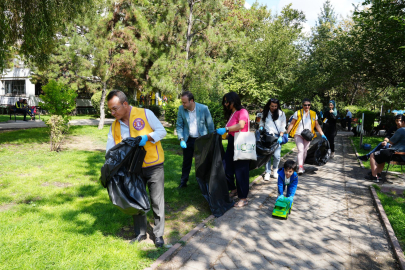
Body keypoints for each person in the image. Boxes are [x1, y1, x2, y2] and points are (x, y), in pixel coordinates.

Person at [105, 90, 167, 247]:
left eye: (115, 108)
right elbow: (110, 149)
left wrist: (146, 137)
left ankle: (158, 234)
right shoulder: (114, 126)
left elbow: (162, 131)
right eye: (110, 109)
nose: (112, 112)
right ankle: (140, 233)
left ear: (125, 104)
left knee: (156, 200)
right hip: (132, 170)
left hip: (153, 164)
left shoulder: (145, 114)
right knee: (136, 199)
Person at [216, 92, 250, 208]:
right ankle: (234, 189)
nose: (225, 104)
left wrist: (226, 129)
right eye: (224, 102)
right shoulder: (232, 113)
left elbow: (241, 125)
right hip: (232, 143)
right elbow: (231, 130)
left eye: (227, 101)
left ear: (233, 101)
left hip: (241, 143)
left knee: (241, 171)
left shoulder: (242, 112)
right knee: (225, 168)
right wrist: (225, 133)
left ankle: (243, 198)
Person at [176, 91, 215, 188]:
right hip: (188, 139)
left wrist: (212, 139)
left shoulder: (204, 108)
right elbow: (179, 125)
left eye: (184, 102)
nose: (183, 104)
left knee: (202, 162)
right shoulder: (181, 109)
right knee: (186, 162)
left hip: (201, 139)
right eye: (182, 102)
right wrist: (181, 139)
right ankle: (183, 182)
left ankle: (203, 182)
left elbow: (210, 125)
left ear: (191, 101)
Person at [286, 98, 327, 174]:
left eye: (308, 105)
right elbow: (292, 123)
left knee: (305, 152)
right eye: (305, 105)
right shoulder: (297, 113)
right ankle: (300, 167)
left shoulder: (313, 113)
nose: (307, 106)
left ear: (310, 105)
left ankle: (300, 164)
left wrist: (322, 134)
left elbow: (316, 125)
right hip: (298, 134)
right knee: (300, 150)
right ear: (302, 105)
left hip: (308, 135)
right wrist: (287, 133)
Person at [365, 114, 405, 183]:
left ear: (403, 122)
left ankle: (374, 176)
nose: (398, 122)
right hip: (403, 156)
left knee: (373, 155)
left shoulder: (401, 130)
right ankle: (378, 174)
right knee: (382, 152)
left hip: (397, 154)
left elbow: (391, 141)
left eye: (400, 121)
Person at [259, 98, 286, 180]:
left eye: (275, 106)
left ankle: (275, 169)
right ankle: (267, 172)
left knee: (277, 156)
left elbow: (283, 126)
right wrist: (260, 127)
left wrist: (281, 136)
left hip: (277, 136)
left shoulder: (281, 114)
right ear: (269, 105)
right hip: (267, 136)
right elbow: (262, 123)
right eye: (272, 106)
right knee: (267, 155)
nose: (273, 108)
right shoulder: (265, 113)